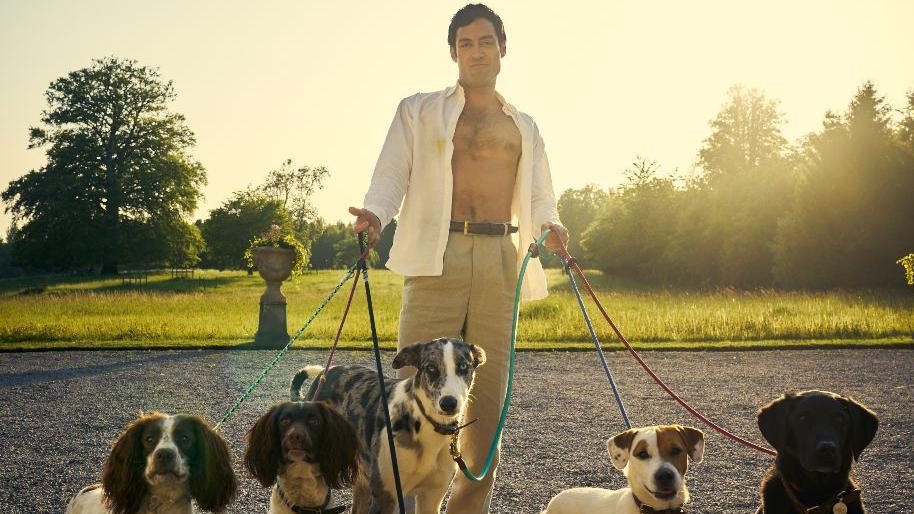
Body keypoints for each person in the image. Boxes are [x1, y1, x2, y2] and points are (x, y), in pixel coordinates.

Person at [349, 4, 568, 513]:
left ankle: (466, 508)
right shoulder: (419, 109)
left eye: (486, 42)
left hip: (499, 258)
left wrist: (552, 227)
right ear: (453, 52)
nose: (477, 52)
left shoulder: (525, 126)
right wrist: (376, 215)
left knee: (486, 402)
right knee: (409, 392)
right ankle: (391, 501)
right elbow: (390, 174)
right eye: (466, 43)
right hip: (436, 253)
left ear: (502, 49)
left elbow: (540, 196)